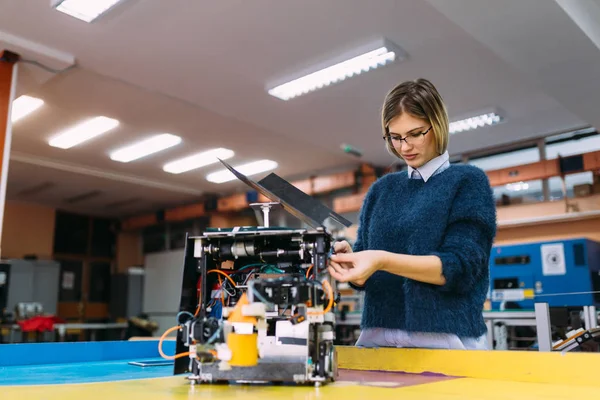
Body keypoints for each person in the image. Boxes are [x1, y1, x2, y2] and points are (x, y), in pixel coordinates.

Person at [328, 78, 497, 350]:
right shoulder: (381, 190)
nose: (404, 147)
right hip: (377, 341)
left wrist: (380, 259)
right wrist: (353, 262)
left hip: (445, 342)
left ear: (437, 124)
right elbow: (366, 274)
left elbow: (460, 268)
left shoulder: (466, 183)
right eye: (395, 137)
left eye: (416, 133)